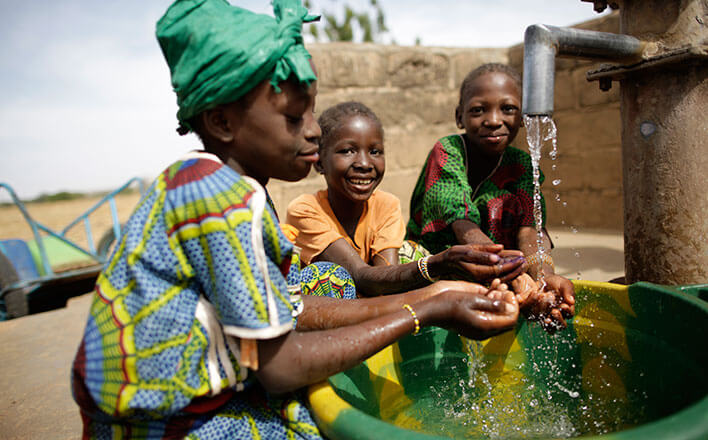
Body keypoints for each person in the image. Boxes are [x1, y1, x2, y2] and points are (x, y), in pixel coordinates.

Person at [70, 2, 520, 439]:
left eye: (311, 112)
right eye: (293, 116)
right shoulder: (219, 203)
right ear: (222, 121)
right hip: (161, 419)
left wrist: (437, 293)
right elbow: (280, 367)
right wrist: (423, 310)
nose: (313, 129)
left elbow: (293, 307)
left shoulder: (226, 187)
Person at [286, 101, 526, 296]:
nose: (364, 163)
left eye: (375, 151)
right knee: (329, 277)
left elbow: (387, 278)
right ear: (319, 163)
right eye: (347, 151)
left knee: (410, 252)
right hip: (329, 311)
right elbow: (361, 277)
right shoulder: (305, 210)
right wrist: (440, 265)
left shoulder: (385, 204)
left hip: (373, 297)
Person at [406, 63, 575, 330]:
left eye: (508, 109)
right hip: (440, 265)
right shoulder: (448, 151)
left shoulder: (521, 165)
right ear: (459, 117)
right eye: (478, 110)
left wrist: (543, 278)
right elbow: (462, 224)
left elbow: (530, 231)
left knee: (542, 302)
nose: (494, 120)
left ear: (522, 117)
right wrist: (518, 278)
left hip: (499, 269)